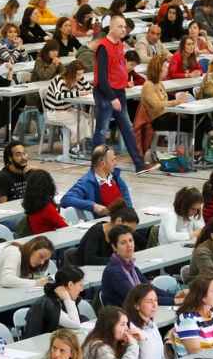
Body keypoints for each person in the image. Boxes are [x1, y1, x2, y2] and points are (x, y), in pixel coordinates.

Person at [91, 16, 148, 172]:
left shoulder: (120, 45)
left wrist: (124, 82)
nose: (123, 30)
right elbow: (102, 78)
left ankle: (139, 164)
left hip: (119, 91)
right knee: (102, 130)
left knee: (127, 129)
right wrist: (112, 98)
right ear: (111, 27)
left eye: (124, 27)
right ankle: (96, 166)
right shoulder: (103, 47)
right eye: (120, 26)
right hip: (105, 93)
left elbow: (118, 68)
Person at [102, 224, 181, 307]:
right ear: (114, 247)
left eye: (130, 240)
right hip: (123, 313)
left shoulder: (131, 266)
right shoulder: (114, 271)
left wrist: (175, 296)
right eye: (123, 243)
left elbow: (149, 288)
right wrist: (174, 301)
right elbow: (137, 298)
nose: (129, 245)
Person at [61, 145, 134, 217]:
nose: (116, 163)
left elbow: (128, 203)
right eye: (112, 160)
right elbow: (66, 199)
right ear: (102, 163)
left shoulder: (116, 177)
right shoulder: (86, 182)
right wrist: (94, 206)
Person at [22, 169, 68, 235]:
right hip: (52, 239)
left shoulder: (31, 204)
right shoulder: (47, 208)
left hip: (40, 238)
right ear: (48, 185)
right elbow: (65, 228)